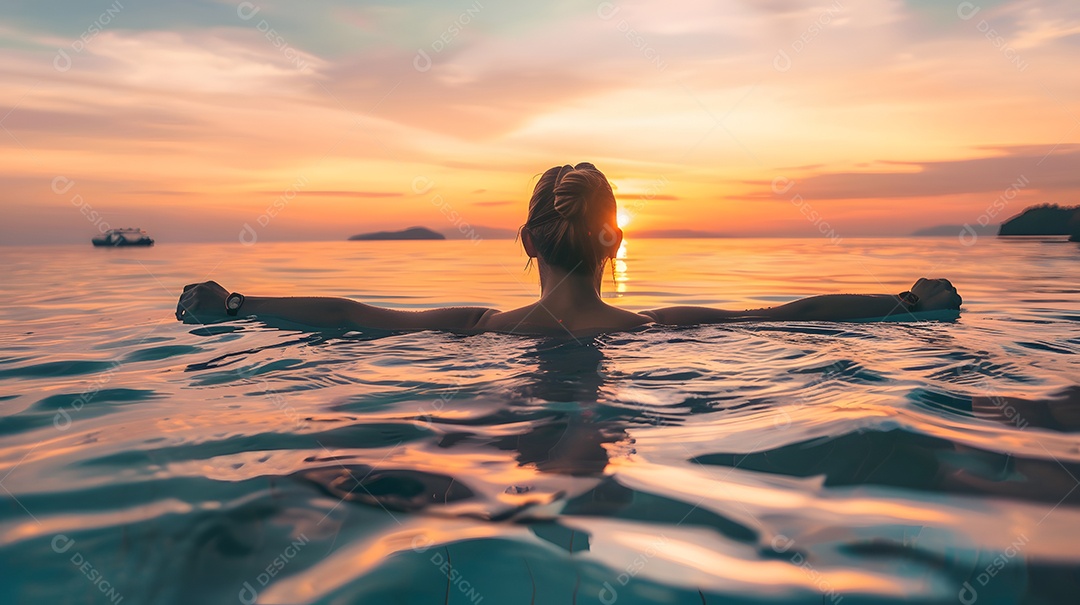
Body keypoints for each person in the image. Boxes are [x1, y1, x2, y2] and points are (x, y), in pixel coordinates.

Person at [175, 163, 962, 335]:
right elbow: (789, 315)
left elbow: (349, 315)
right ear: (615, 239)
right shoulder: (658, 328)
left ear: (526, 239)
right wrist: (904, 301)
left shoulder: (480, 327)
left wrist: (239, 303)